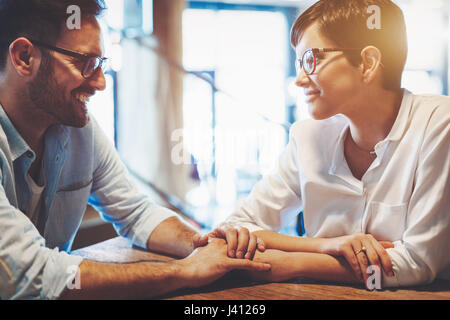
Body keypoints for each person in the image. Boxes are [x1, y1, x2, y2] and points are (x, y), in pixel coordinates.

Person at [0, 0, 268, 300]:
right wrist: (185, 272)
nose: (101, 83)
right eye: (86, 63)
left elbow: (136, 213)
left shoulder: (79, 129)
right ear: (24, 57)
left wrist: (203, 244)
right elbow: (32, 274)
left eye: (101, 65)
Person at [222, 0, 450, 289]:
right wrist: (327, 246)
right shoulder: (308, 137)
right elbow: (236, 225)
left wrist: (289, 262)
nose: (300, 79)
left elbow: (417, 264)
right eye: (299, 62)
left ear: (367, 63)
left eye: (311, 59)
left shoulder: (439, 124)